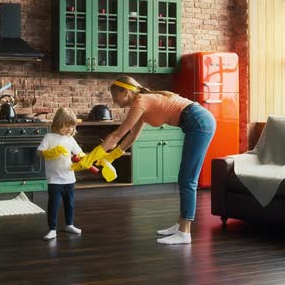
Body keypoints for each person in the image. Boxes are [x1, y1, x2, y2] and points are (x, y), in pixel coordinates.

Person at [74, 76, 216, 245]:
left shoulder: (141, 101)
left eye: (115, 96)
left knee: (188, 179)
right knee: (185, 178)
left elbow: (117, 135)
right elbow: (132, 136)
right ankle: (180, 225)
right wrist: (112, 155)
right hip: (195, 121)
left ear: (126, 92)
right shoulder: (141, 104)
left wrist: (91, 157)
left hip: (199, 122)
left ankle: (184, 233)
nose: (113, 101)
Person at [37, 107, 84, 240]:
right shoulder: (49, 137)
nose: (70, 129)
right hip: (54, 179)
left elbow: (79, 153)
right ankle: (52, 229)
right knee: (54, 204)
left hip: (69, 177)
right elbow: (39, 152)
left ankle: (69, 224)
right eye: (67, 125)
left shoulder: (70, 139)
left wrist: (83, 159)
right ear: (58, 123)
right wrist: (49, 153)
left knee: (70, 203)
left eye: (72, 126)